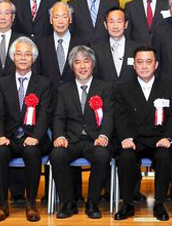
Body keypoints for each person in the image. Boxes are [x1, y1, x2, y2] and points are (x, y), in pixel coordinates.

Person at [113, 46, 172, 221]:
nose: (144, 66)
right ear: (134, 65)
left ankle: (159, 203)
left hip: (159, 139)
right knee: (125, 157)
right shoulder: (123, 89)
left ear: (156, 65)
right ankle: (127, 203)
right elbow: (119, 116)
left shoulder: (169, 88)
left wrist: (168, 137)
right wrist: (126, 138)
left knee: (164, 157)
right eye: (140, 62)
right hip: (134, 139)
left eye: (148, 62)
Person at [0, 37, 54, 222]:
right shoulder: (2, 83)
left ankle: (31, 204)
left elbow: (45, 114)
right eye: (19, 54)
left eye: (27, 54)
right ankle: (2, 204)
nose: (23, 58)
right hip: (9, 138)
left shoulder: (44, 83)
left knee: (32, 152)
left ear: (33, 58)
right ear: (13, 57)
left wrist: (36, 136)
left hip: (33, 137)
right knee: (0, 152)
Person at [50, 45, 114, 219]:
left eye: (86, 61)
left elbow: (109, 115)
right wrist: (59, 136)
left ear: (92, 64)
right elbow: (58, 117)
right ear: (72, 66)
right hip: (71, 139)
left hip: (95, 139)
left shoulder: (105, 88)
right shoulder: (64, 90)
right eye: (77, 62)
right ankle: (68, 203)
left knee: (102, 155)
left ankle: (92, 202)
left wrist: (104, 135)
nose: (82, 66)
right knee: (57, 155)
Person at [36, 1, 87, 88]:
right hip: (48, 93)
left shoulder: (82, 44)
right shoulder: (40, 45)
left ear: (70, 19)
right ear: (51, 20)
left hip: (73, 94)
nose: (60, 21)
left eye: (64, 17)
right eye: (56, 17)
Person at [91, 7, 141, 85]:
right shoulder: (96, 50)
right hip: (105, 92)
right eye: (111, 22)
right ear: (105, 25)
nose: (115, 26)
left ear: (126, 24)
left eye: (119, 21)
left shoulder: (137, 49)